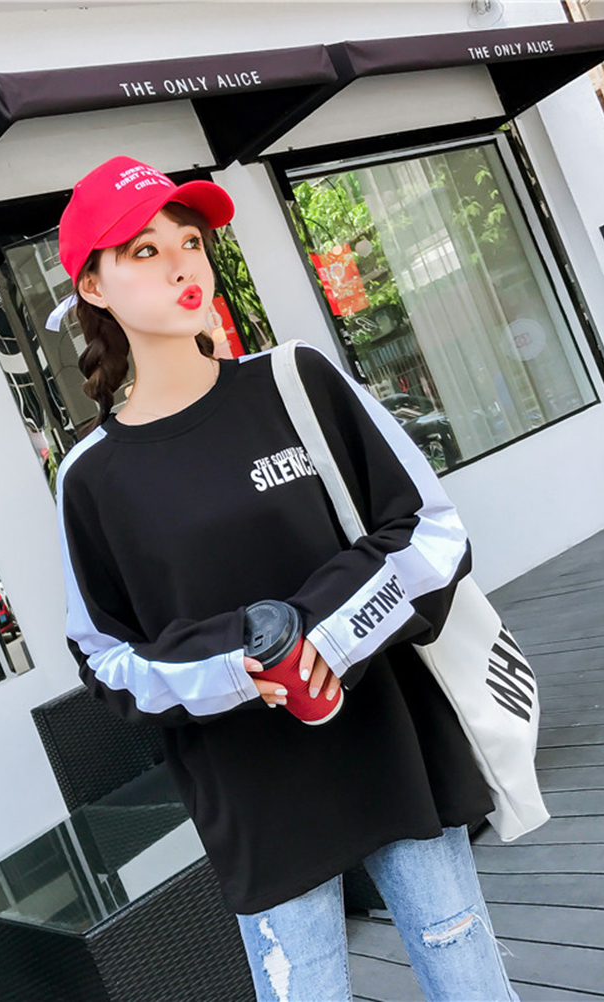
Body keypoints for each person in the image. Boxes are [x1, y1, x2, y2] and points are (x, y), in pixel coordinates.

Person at [54, 155, 518, 1002]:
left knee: (467, 975)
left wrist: (323, 635)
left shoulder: (295, 380)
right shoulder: (90, 477)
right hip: (256, 796)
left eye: (189, 242)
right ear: (92, 286)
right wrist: (238, 664)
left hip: (389, 743)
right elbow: (107, 659)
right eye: (144, 251)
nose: (182, 265)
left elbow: (431, 531)